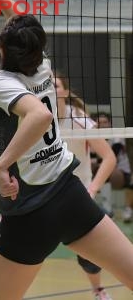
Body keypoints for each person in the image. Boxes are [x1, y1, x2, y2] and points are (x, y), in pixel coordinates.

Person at [0, 0, 133, 300]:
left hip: (28, 211)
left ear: (0, 48)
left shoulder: (1, 85)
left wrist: (1, 163)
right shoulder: (42, 66)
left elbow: (39, 117)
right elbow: (23, 21)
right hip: (69, 195)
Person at [55, 72, 117, 300]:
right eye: (47, 85)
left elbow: (109, 157)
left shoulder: (79, 119)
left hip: (77, 195)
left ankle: (98, 290)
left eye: (55, 85)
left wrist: (91, 190)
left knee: (89, 257)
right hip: (47, 194)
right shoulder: (38, 116)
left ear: (65, 92)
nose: (51, 89)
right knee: (19, 241)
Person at [96, 112, 133, 223]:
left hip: (122, 174)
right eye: (99, 122)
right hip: (102, 171)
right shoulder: (93, 136)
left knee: (105, 169)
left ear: (110, 123)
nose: (102, 125)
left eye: (105, 122)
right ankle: (103, 209)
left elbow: (112, 159)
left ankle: (117, 210)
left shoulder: (116, 137)